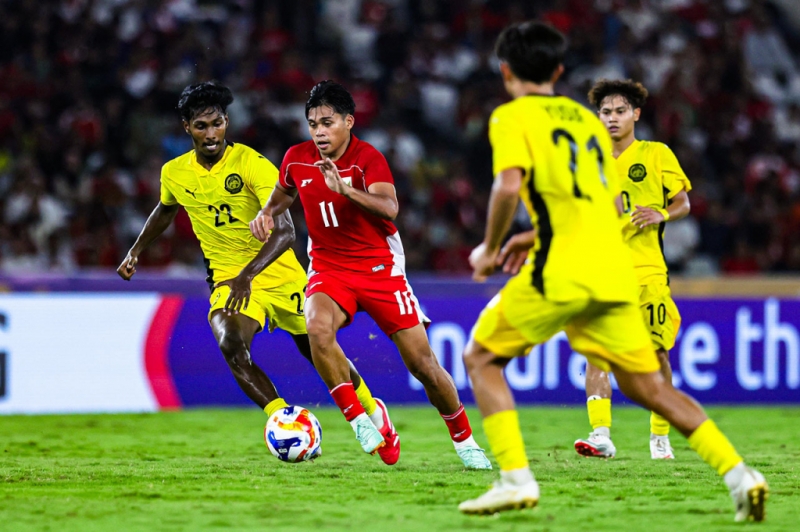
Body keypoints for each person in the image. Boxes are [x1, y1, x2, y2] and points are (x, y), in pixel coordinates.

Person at [458, 22, 767, 522]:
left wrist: (489, 247)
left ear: (506, 71)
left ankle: (515, 479)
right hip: (612, 269)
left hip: (563, 266)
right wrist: (529, 235)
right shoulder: (585, 123)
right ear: (558, 70)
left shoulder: (511, 116)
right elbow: (597, 206)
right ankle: (739, 474)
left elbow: (508, 185)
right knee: (650, 387)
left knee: (480, 357)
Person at [118, 82, 386, 441]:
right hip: (229, 277)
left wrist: (248, 275)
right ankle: (283, 420)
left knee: (318, 351)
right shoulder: (174, 172)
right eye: (201, 126)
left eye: (217, 124)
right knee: (231, 342)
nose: (210, 134)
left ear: (227, 122)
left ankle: (370, 409)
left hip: (278, 272)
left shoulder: (252, 164)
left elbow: (286, 231)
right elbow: (166, 209)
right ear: (187, 127)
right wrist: (136, 250)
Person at [249, 80, 491, 469]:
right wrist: (266, 212)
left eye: (327, 123)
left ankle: (465, 442)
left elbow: (389, 207)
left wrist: (345, 190)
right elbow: (285, 191)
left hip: (378, 267)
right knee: (316, 328)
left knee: (423, 365)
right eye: (313, 124)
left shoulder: (368, 158)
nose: (319, 132)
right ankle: (361, 420)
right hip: (329, 266)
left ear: (349, 121)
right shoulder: (296, 158)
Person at [572, 79, 690, 461]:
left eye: (620, 111)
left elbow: (684, 202)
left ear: (636, 114)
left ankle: (660, 437)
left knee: (657, 356)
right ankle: (601, 435)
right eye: (605, 112)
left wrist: (661, 213)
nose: (612, 118)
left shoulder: (656, 154)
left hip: (647, 270)